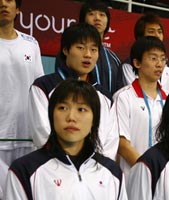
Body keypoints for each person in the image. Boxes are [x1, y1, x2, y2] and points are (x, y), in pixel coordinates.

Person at [28, 23, 119, 160]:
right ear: (65, 50)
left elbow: (110, 141)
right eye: (81, 48)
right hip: (54, 168)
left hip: (95, 172)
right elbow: (42, 134)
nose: (88, 55)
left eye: (93, 49)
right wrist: (73, 163)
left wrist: (95, 167)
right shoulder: (44, 87)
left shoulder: (105, 96)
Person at [114, 36, 167, 174]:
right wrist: (147, 171)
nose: (159, 64)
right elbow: (122, 144)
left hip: (163, 178)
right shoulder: (123, 97)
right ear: (137, 63)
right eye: (153, 58)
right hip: (133, 176)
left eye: (162, 59)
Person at [0, 0, 44, 166]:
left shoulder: (31, 43)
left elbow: (39, 89)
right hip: (0, 136)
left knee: (23, 191)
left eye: (9, 0)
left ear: (17, 9)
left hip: (26, 135)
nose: (3, 4)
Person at [122, 12, 169, 94]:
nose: (157, 35)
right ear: (140, 37)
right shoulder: (129, 64)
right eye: (151, 31)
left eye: (159, 32)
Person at [78, 0, 124, 96]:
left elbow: (119, 91)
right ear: (83, 19)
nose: (97, 18)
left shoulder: (114, 58)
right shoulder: (74, 52)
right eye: (91, 14)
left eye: (102, 15)